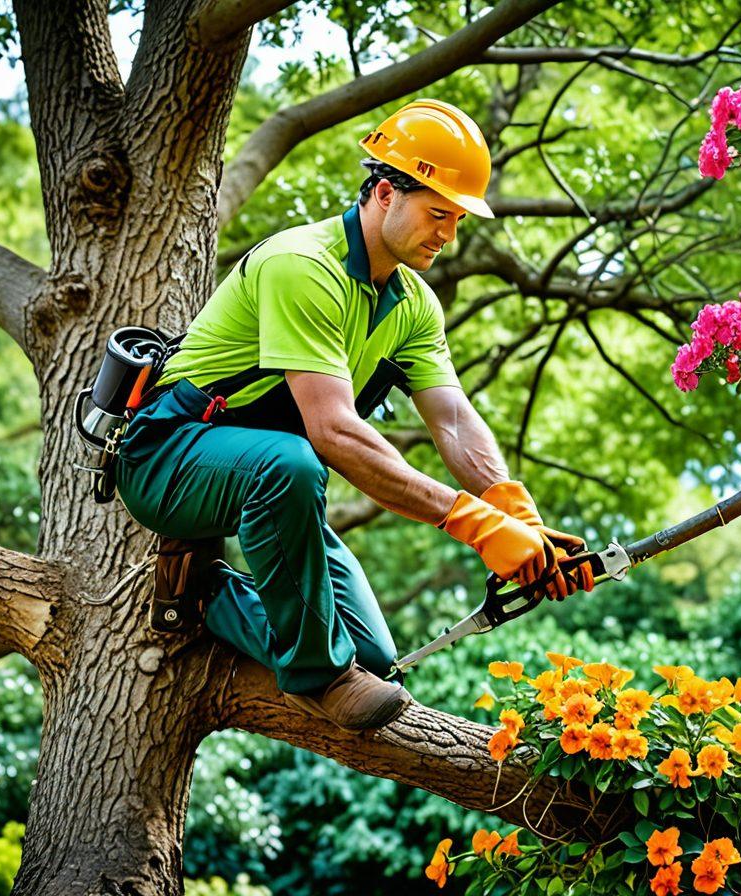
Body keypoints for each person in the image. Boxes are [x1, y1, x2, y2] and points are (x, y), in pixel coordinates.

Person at [114, 99, 594, 732]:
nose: (447, 235)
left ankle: (198, 592)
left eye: (457, 220)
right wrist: (474, 526)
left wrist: (514, 512)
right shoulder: (303, 267)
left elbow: (451, 418)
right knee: (291, 464)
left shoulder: (414, 304)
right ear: (387, 192)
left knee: (372, 659)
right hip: (170, 455)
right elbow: (334, 432)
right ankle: (316, 676)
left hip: (263, 474)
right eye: (438, 213)